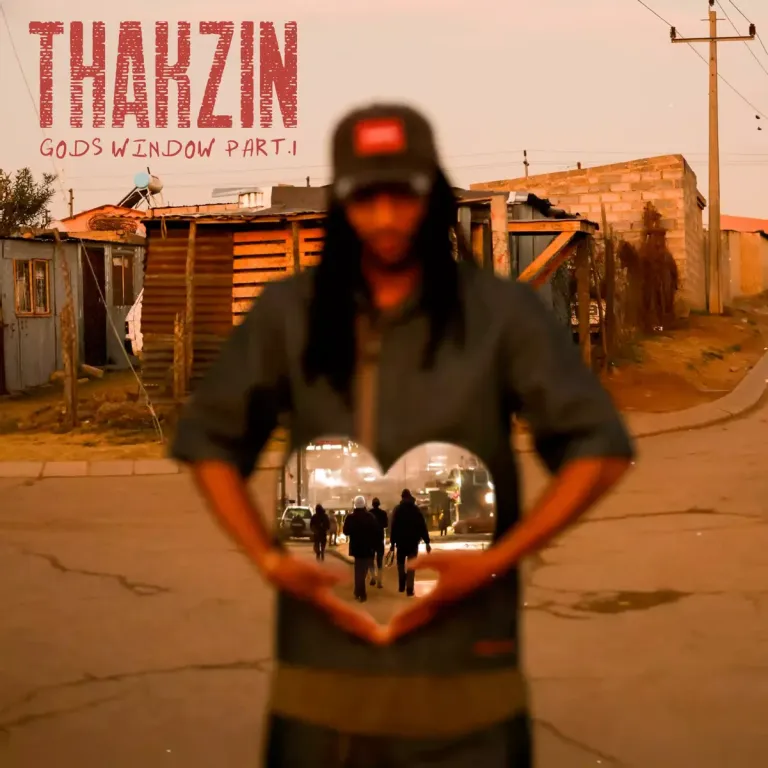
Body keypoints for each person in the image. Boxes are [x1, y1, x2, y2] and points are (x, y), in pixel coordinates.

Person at [170, 102, 634, 767]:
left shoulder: (500, 315)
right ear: (342, 204)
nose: (386, 217)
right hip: (320, 700)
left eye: (404, 195)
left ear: (433, 196)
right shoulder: (290, 315)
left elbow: (600, 447)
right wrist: (269, 560)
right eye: (366, 198)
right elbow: (210, 439)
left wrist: (497, 560)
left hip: (469, 699)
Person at [390, 489, 431, 596]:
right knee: (411, 565)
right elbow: (422, 526)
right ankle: (409, 588)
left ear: (402, 497)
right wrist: (427, 542)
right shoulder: (416, 510)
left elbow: (393, 527)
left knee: (400, 564)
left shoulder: (398, 510)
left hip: (400, 542)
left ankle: (401, 583)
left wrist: (392, 543)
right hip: (413, 542)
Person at [342, 495, 379, 602]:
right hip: (368, 547)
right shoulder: (370, 517)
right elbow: (376, 531)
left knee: (358, 570)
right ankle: (360, 592)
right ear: (364, 504)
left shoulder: (350, 517)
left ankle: (359, 592)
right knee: (364, 570)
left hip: (356, 548)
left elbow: (346, 531)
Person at [368, 497, 388, 588]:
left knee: (371, 559)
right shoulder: (383, 513)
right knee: (379, 561)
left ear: (372, 504)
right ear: (379, 504)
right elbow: (386, 525)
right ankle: (379, 581)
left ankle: (373, 577)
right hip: (379, 538)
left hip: (371, 539)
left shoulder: (369, 514)